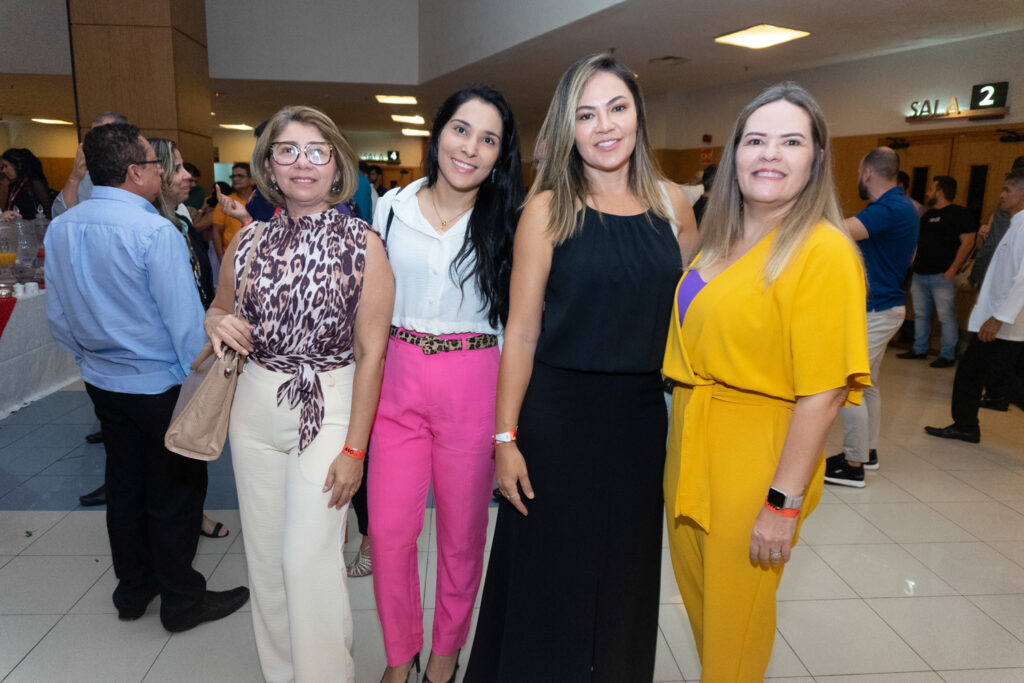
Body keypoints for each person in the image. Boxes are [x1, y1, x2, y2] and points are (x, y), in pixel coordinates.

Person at [465, 54, 696, 683]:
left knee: (625, 572)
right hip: (556, 418)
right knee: (551, 574)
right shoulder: (546, 210)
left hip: (641, 420)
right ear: (568, 129)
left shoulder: (674, 206)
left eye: (617, 108)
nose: (604, 126)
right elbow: (521, 330)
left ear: (638, 116)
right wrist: (505, 438)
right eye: (586, 114)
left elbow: (692, 316)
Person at [662, 82, 869, 680]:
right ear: (733, 156)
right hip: (693, 444)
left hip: (757, 457)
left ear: (817, 159)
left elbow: (826, 391)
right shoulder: (722, 239)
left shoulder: (822, 251)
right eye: (755, 140)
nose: (770, 153)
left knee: (736, 631)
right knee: (707, 616)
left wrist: (783, 502)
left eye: (791, 141)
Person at [205, 105, 393, 683]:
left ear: (336, 165)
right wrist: (216, 323)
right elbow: (220, 308)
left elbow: (372, 355)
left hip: (330, 401)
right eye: (287, 150)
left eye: (316, 150)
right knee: (265, 563)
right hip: (256, 403)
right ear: (269, 166)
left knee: (306, 559)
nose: (302, 162)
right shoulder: (249, 240)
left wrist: (355, 451)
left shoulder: (365, 245)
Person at [44, 122, 249, 631]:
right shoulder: (153, 231)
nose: (163, 172)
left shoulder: (63, 224)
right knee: (176, 494)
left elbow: (59, 319)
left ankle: (133, 591)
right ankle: (182, 601)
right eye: (159, 164)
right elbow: (184, 327)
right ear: (136, 173)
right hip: (159, 384)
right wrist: (197, 388)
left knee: (125, 486)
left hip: (103, 381)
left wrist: (92, 359)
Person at [370, 84, 524, 683]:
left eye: (489, 139)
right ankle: (399, 652)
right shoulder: (389, 208)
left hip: (473, 377)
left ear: (500, 154)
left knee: (461, 536)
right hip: (397, 378)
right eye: (462, 130)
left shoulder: (510, 221)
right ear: (437, 135)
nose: (471, 148)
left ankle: (442, 655)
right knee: (387, 531)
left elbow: (520, 324)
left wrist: (508, 423)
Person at [824, 147, 918, 487]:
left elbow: (836, 231)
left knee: (849, 383)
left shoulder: (890, 208)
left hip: (877, 309)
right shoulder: (902, 205)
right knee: (870, 383)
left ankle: (852, 464)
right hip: (886, 306)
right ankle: (868, 451)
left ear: (867, 173)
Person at [925, 169, 1024, 442]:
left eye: (1006, 190)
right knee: (980, 374)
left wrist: (999, 317)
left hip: (1003, 322)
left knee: (1000, 381)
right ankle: (966, 424)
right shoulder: (1015, 224)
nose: (1001, 195)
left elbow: (1023, 280)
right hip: (996, 319)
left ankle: (966, 425)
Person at [898, 175, 976, 367]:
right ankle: (919, 349)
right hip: (920, 273)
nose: (927, 192)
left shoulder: (959, 214)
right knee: (921, 313)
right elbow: (918, 243)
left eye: (931, 189)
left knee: (946, 315)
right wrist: (912, 263)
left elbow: (968, 242)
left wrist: (953, 269)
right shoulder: (926, 215)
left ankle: (947, 355)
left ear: (940, 192)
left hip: (943, 275)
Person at [52, 111, 130, 217]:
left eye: (101, 137)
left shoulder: (137, 171)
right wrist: (74, 178)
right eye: (91, 137)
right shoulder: (87, 175)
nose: (94, 143)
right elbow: (60, 216)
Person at [211, 162, 254, 260]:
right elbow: (217, 233)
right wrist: (221, 259)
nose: (235, 179)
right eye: (233, 176)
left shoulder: (261, 202)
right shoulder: (225, 202)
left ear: (252, 180)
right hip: (231, 259)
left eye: (240, 176)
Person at [1, 148, 52, 220]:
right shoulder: (13, 184)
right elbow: (4, 210)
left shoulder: (34, 182)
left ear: (17, 165)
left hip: (34, 227)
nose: (3, 171)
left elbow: (48, 208)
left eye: (6, 166)